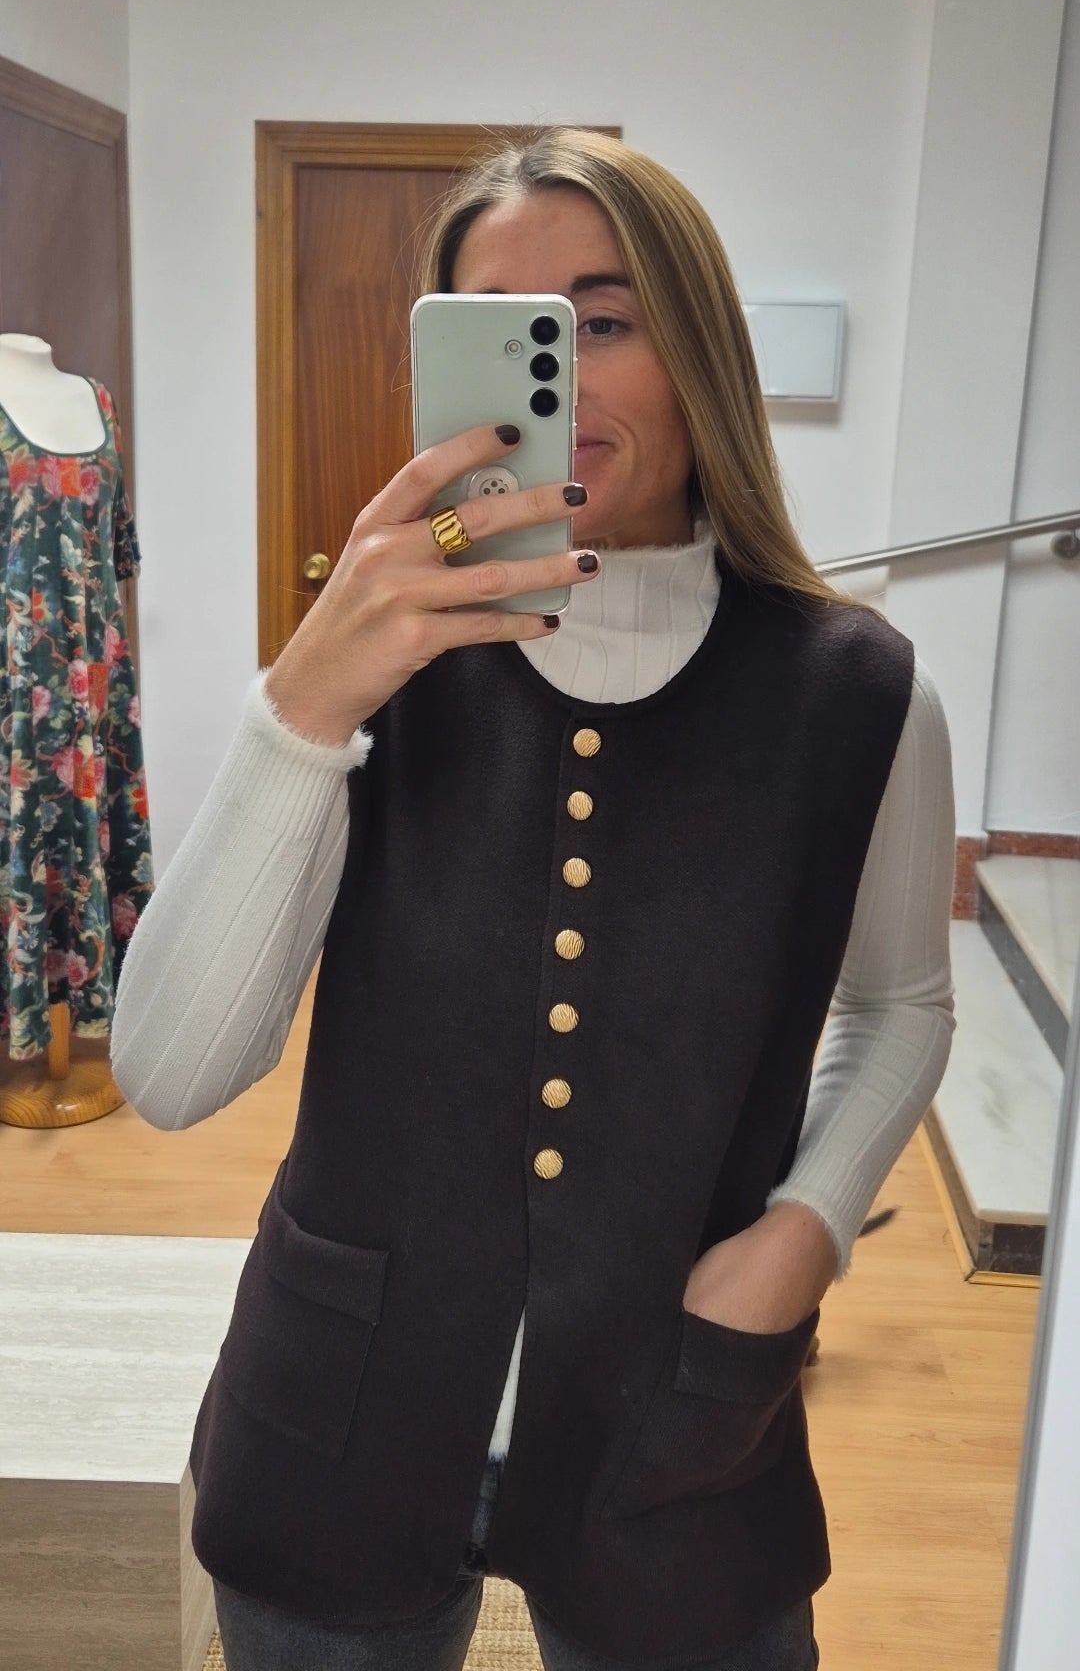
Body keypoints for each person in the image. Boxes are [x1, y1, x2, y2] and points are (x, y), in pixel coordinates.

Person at [112, 128, 956, 1671]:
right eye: (499, 333)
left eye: (601, 321)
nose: (546, 378)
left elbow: (902, 1001)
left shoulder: (855, 693)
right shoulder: (375, 658)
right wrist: (304, 703)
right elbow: (171, 1075)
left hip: (684, 1416)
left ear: (700, 351)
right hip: (337, 1404)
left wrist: (805, 1234)